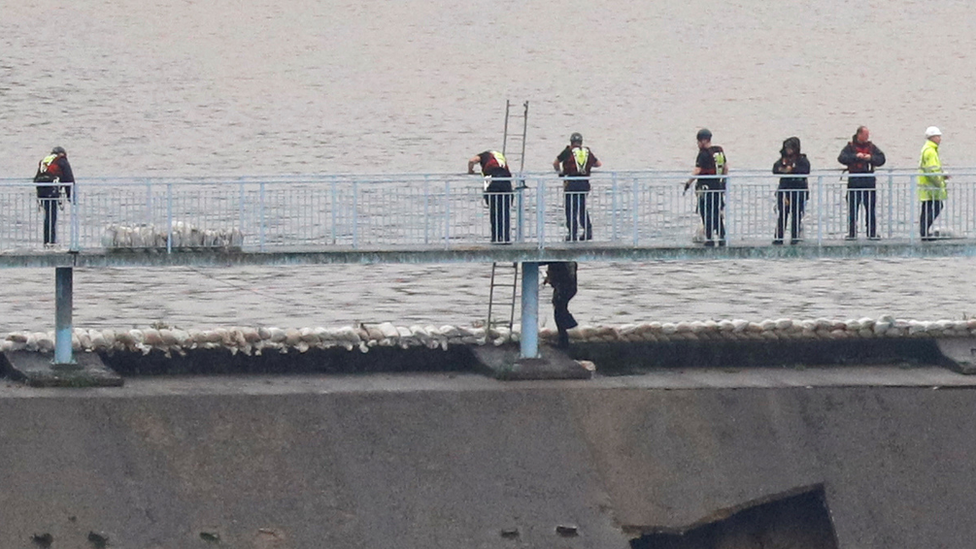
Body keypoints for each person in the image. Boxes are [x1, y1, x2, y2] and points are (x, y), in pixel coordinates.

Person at [838, 126, 886, 240]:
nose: (867, 137)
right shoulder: (850, 147)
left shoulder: (872, 147)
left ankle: (872, 233)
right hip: (854, 182)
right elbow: (841, 158)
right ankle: (852, 233)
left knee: (870, 209)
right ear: (859, 135)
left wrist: (870, 158)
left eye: (868, 135)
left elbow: (882, 159)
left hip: (869, 182)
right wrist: (855, 157)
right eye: (865, 135)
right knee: (852, 210)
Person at [553, 132, 601, 241]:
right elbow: (598, 164)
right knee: (582, 208)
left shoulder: (568, 151)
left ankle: (572, 234)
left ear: (571, 142)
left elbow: (555, 163)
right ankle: (588, 231)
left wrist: (560, 173)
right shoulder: (587, 152)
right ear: (581, 142)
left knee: (570, 209)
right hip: (584, 184)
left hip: (571, 183)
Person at [684, 128, 727, 246]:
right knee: (716, 212)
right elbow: (726, 168)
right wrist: (723, 181)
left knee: (706, 212)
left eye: (698, 141)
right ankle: (722, 236)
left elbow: (697, 171)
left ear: (703, 141)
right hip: (718, 186)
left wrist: (688, 183)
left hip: (705, 188)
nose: (698, 144)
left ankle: (709, 238)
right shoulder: (719, 151)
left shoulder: (703, 154)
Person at [772, 136, 811, 245]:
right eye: (786, 148)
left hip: (799, 191)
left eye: (790, 148)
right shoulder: (783, 159)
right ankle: (779, 238)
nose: (788, 150)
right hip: (785, 192)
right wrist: (784, 170)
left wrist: (792, 170)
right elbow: (775, 169)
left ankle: (795, 238)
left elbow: (805, 170)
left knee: (796, 215)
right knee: (782, 215)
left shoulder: (802, 160)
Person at [468, 150, 512, 243]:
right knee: (505, 212)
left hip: (494, 181)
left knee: (494, 211)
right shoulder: (500, 156)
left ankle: (495, 238)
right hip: (506, 182)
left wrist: (470, 170)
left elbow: (472, 161)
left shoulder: (485, 155)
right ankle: (506, 238)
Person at [33, 146, 74, 246]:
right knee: (52, 217)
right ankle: (51, 241)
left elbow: (36, 178)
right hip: (52, 190)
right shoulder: (62, 161)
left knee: (47, 216)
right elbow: (69, 179)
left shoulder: (45, 160)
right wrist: (71, 196)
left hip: (41, 191)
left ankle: (46, 241)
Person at [918, 126, 948, 241]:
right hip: (931, 186)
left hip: (927, 185)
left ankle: (924, 232)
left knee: (927, 208)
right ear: (932, 137)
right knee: (936, 207)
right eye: (938, 136)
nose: (940, 139)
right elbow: (932, 169)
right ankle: (924, 232)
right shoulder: (930, 151)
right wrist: (939, 182)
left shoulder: (927, 149)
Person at [544, 261, 578, 349]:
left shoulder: (559, 262)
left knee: (559, 311)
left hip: (565, 287)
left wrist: (551, 278)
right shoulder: (567, 261)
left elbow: (559, 275)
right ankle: (565, 336)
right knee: (559, 308)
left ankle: (569, 327)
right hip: (568, 287)